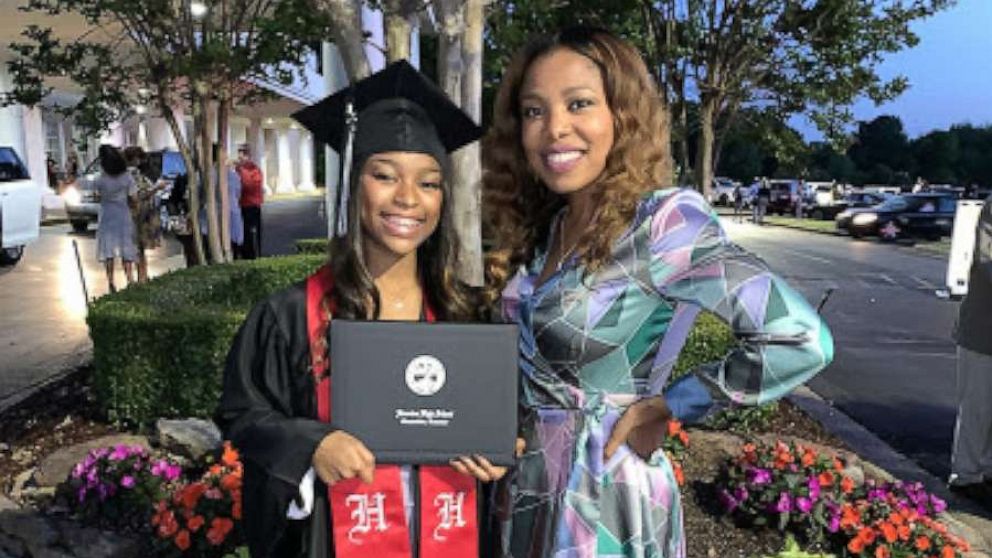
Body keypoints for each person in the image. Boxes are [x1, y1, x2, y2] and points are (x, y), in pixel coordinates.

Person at [482, 26, 834, 557]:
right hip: (525, 486)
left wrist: (671, 405)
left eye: (579, 104)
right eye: (534, 111)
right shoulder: (547, 226)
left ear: (623, 115)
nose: (554, 128)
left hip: (602, 493)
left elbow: (800, 338)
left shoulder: (663, 225)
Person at [216, 60, 509, 558]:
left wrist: (503, 449)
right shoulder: (288, 315)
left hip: (448, 532)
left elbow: (505, 414)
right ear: (355, 184)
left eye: (429, 183)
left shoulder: (468, 313)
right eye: (385, 176)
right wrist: (311, 444)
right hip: (337, 537)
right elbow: (243, 413)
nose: (408, 199)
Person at [948, 192, 992, 506]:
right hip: (983, 329)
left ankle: (986, 469)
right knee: (978, 407)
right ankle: (965, 476)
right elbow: (987, 259)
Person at [93, 145, 138, 293]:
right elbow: (133, 197)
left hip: (107, 215)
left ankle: (111, 281)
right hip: (123, 213)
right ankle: (130, 278)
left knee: (108, 250)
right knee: (126, 245)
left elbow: (96, 197)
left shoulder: (100, 179)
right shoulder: (127, 177)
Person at [123, 146, 165, 283]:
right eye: (139, 157)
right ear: (135, 159)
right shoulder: (133, 176)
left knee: (135, 248)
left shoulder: (126, 175)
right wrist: (156, 188)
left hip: (133, 215)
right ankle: (141, 278)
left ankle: (137, 278)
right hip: (138, 215)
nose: (141, 160)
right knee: (138, 248)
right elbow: (141, 195)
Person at [235, 144, 264, 259]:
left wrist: (241, 171)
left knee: (251, 234)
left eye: (242, 155)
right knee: (243, 234)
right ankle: (245, 254)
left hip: (251, 206)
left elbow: (249, 186)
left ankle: (254, 255)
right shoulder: (238, 169)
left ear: (247, 155)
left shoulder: (254, 170)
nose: (240, 158)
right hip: (241, 205)